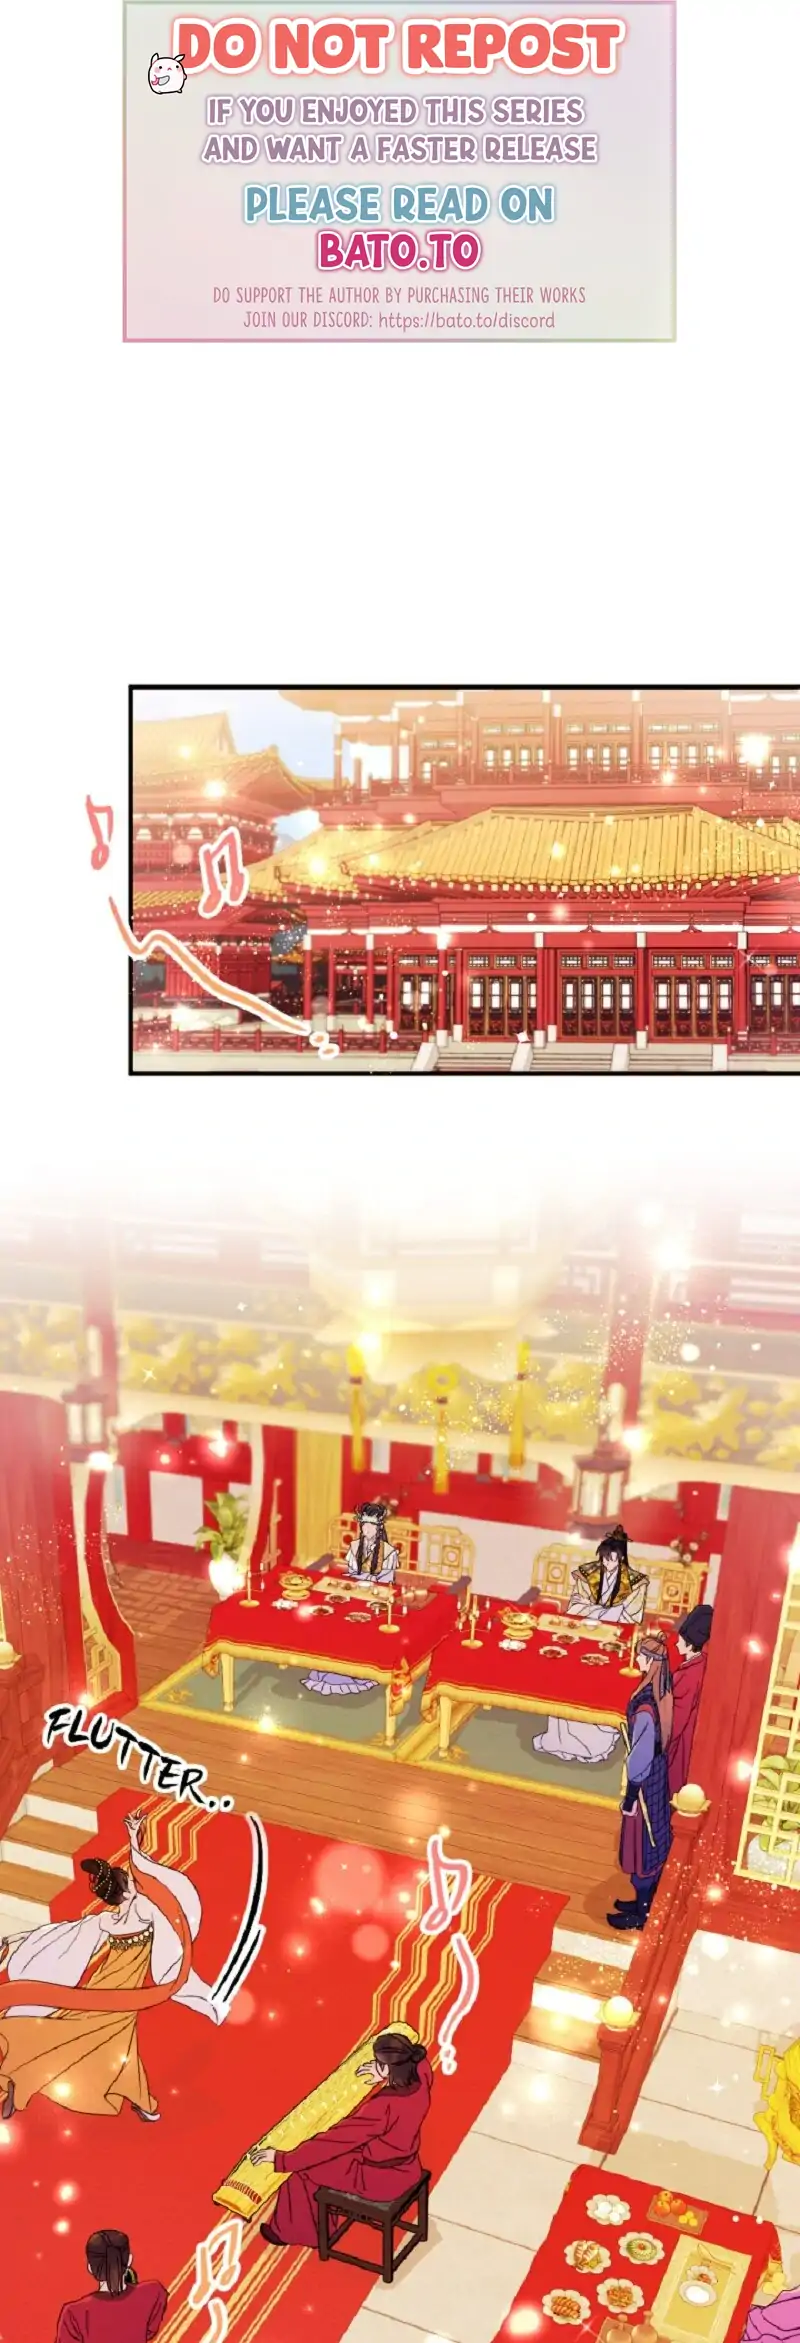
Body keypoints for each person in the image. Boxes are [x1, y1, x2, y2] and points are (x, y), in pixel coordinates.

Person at [0, 1810, 224, 2124]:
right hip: (122, 1993)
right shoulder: (143, 1909)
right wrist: (134, 1842)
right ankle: (141, 2102)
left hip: (103, 1986)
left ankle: (20, 2078)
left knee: (83, 2034)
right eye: (131, 1881)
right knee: (109, 2041)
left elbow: (60, 1933)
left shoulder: (107, 1920)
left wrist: (16, 1940)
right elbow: (153, 1884)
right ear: (128, 1889)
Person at [253, 2031, 431, 2248]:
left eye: (378, 2064)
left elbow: (337, 2140)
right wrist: (385, 2074)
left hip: (378, 2179)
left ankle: (300, 2234)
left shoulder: (384, 2107)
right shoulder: (422, 2079)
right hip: (406, 2167)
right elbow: (418, 2065)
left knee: (302, 2170)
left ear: (388, 2068)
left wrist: (282, 2159)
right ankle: (318, 2227)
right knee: (322, 2155)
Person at [533, 1525, 648, 1766]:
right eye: (605, 1559)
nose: (608, 1564)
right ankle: (561, 1738)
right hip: (583, 1635)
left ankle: (596, 1740)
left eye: (613, 1559)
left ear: (621, 1558)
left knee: (599, 1679)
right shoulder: (588, 1574)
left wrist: (600, 1613)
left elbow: (632, 1616)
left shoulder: (635, 1582)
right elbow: (575, 1606)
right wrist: (604, 1612)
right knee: (569, 1675)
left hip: (614, 1639)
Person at [608, 1629, 674, 1931]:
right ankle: (641, 1903)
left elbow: (641, 1755)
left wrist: (632, 1795)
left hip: (645, 1782)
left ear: (651, 1661)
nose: (637, 1661)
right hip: (656, 1773)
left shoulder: (647, 1707)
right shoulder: (661, 1695)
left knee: (644, 1841)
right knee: (650, 1840)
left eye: (641, 1657)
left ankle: (643, 1913)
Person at [303, 1500, 401, 1698]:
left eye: (372, 1525)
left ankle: (355, 1671)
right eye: (364, 1525)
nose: (367, 1529)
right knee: (333, 1617)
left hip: (374, 1598)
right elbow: (351, 1574)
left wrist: (370, 1585)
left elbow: (387, 1582)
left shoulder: (388, 1552)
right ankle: (328, 1666)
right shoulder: (355, 1546)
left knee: (364, 1624)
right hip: (353, 1595)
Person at [54, 2231, 167, 2342]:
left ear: (90, 2267)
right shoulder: (152, 2293)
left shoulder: (73, 2314)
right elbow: (150, 2331)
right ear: (129, 2260)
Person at [667, 1602, 713, 1798]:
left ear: (689, 1642)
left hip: (682, 1741)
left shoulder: (688, 1675)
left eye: (680, 1640)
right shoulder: (701, 1664)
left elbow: (677, 1718)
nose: (676, 1643)